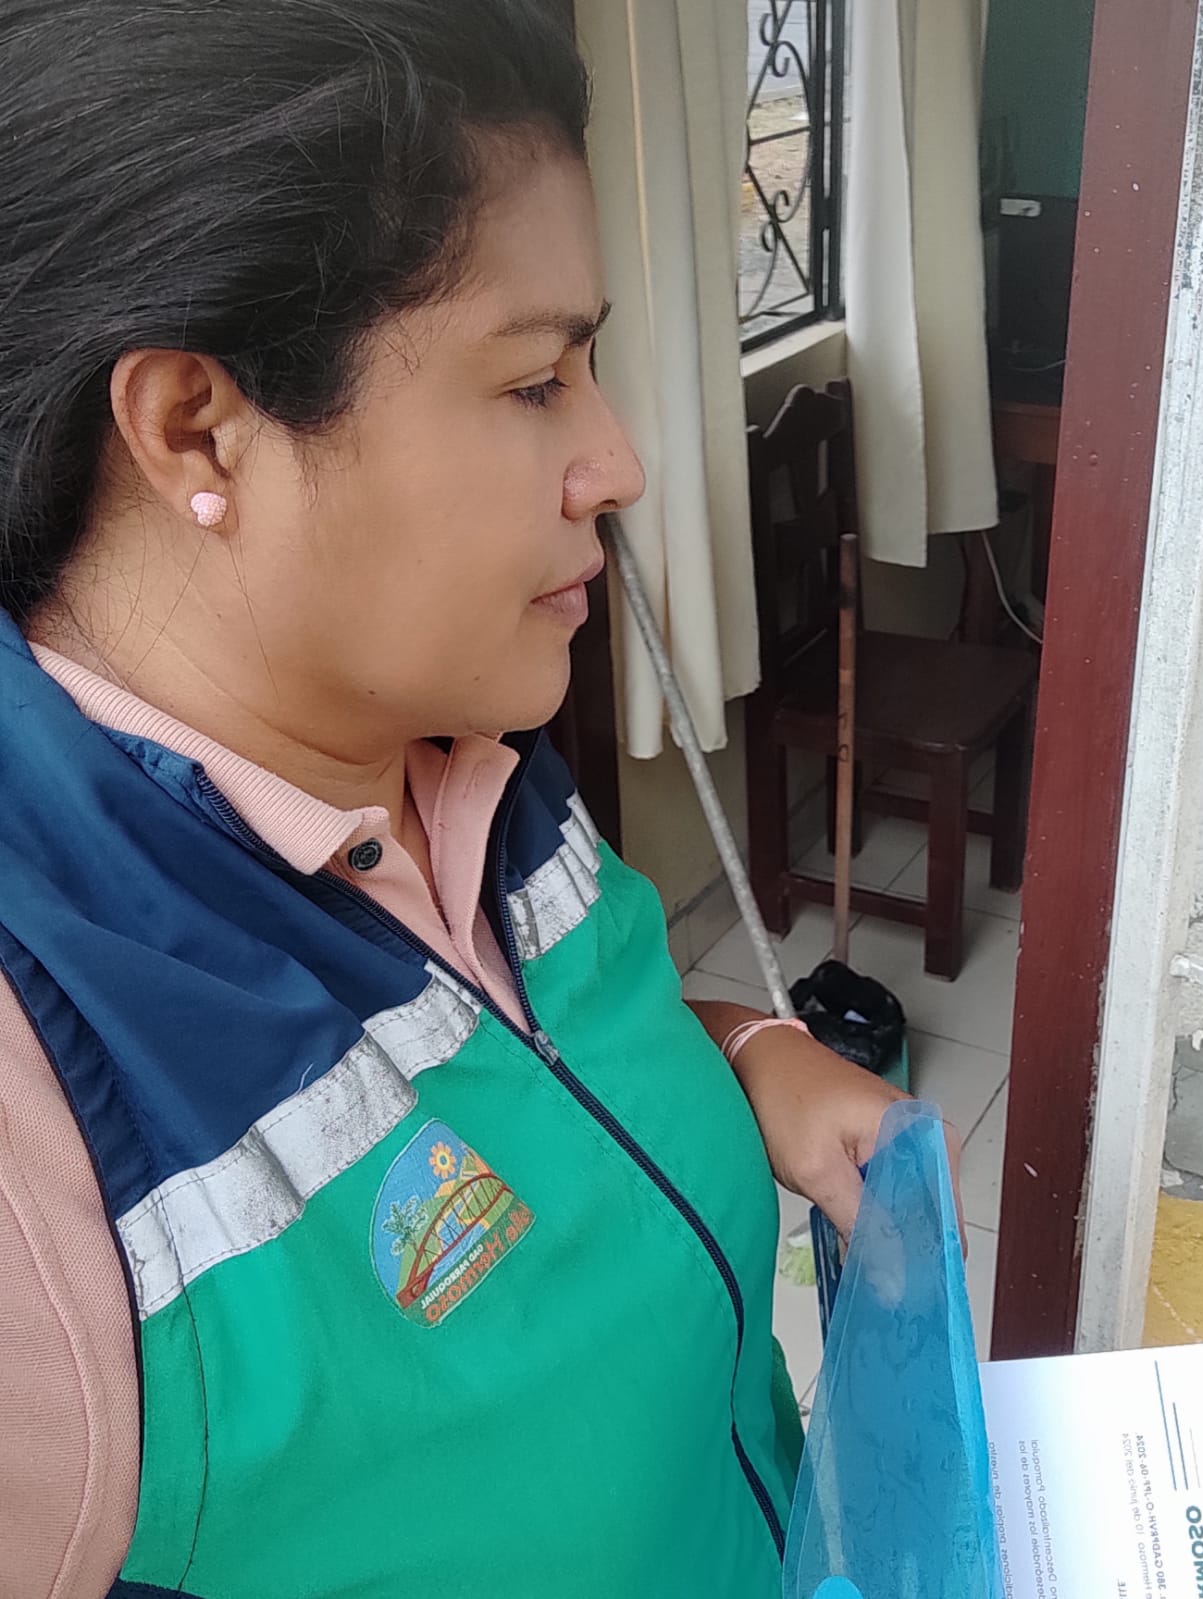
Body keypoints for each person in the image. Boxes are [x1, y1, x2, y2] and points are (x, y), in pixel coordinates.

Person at [0, 3, 957, 1593]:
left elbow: (505, 1061)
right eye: (534, 383)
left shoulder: (453, 753)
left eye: (591, 369)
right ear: (197, 428)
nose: (618, 462)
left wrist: (747, 1060)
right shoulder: (42, 1080)